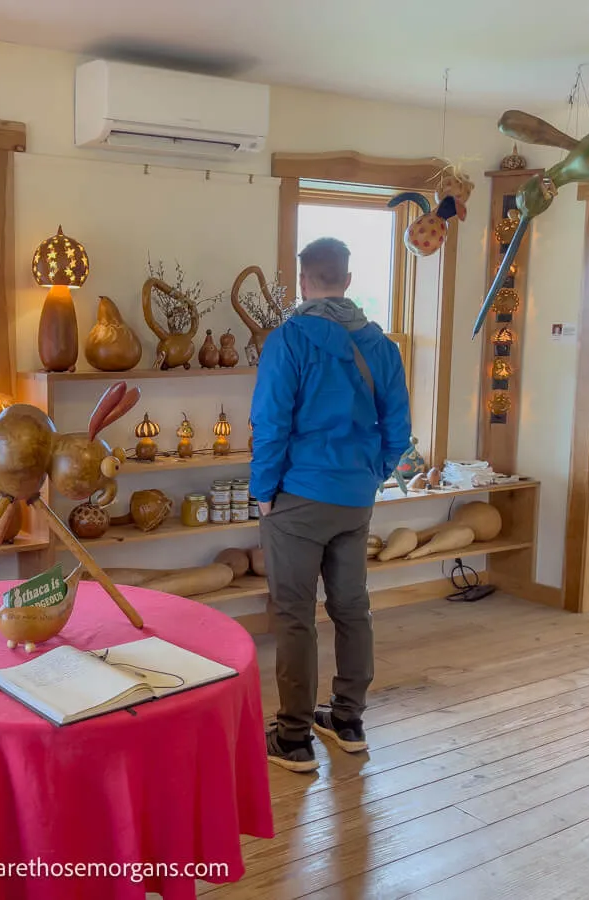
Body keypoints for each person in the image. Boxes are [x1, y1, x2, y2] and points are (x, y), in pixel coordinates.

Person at [249, 237, 411, 772]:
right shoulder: (381, 346)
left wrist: (263, 492)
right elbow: (399, 430)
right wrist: (370, 475)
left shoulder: (289, 339)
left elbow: (270, 424)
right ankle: (348, 720)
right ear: (345, 279)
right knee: (351, 608)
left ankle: (293, 738)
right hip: (353, 497)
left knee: (295, 615)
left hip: (298, 495)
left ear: (304, 282)